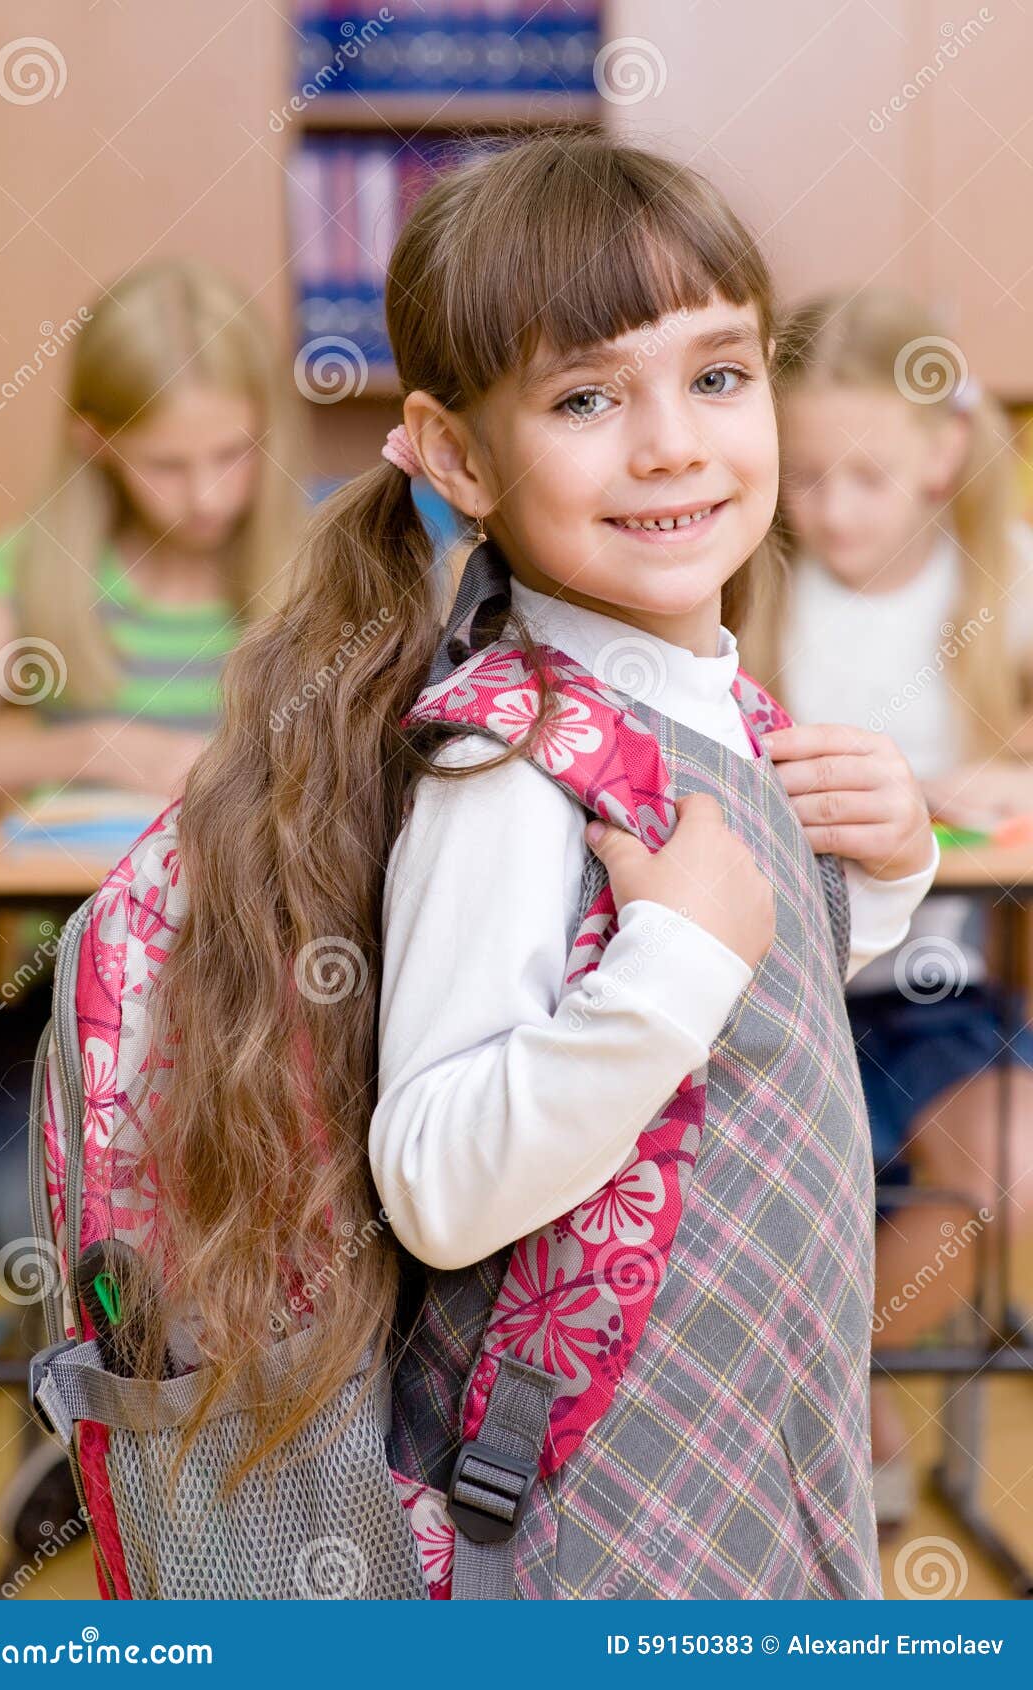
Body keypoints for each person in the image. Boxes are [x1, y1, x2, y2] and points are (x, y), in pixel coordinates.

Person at [150, 131, 937, 1598]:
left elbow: (732, 1052)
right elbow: (441, 1181)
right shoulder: (512, 769)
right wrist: (678, 959)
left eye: (718, 375)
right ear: (458, 455)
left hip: (756, 1440)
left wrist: (882, 872)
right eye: (588, 396)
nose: (675, 444)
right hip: (602, 1509)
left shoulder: (711, 702)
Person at [0, 255, 305, 1564]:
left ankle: (221, 1435)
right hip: (60, 1002)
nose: (206, 497)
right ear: (96, 446)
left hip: (254, 985)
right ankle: (86, 1423)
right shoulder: (35, 569)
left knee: (262, 1178)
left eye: (230, 457)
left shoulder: (306, 561)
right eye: (167, 466)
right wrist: (83, 744)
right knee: (41, 1206)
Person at [743, 286, 1033, 1534]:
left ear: (943, 452)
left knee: (1007, 1175)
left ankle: (825, 1379)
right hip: (773, 988)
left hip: (935, 993)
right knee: (777, 1195)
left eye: (867, 475)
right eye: (803, 476)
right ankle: (788, 1401)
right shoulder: (753, 587)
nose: (831, 509)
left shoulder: (1001, 577)